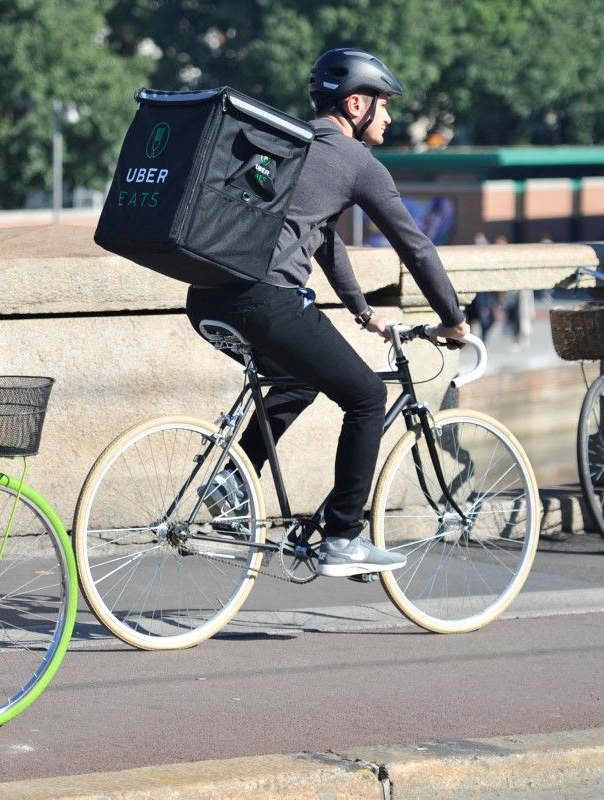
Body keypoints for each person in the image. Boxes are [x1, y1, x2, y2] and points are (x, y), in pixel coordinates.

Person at [185, 47, 469, 578]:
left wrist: (362, 311)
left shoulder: (293, 142)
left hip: (205, 297)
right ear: (356, 104)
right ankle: (342, 538)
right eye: (383, 105)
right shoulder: (358, 162)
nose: (388, 116)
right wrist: (452, 317)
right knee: (366, 396)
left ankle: (230, 479)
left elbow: (321, 237)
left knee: (299, 376)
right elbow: (416, 248)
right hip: (265, 300)